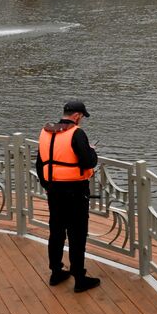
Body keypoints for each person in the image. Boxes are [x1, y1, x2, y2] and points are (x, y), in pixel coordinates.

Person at [37, 100, 101, 292]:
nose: (81, 120)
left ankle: (56, 272)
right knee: (77, 234)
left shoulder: (46, 132)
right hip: (75, 191)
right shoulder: (77, 133)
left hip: (54, 190)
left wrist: (47, 185)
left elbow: (40, 164)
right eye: (82, 117)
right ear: (76, 116)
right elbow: (88, 162)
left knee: (56, 232)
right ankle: (79, 278)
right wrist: (92, 150)